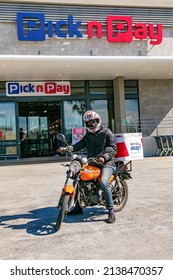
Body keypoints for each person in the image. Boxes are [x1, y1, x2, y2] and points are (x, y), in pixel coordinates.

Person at [58, 110, 117, 223]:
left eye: (93, 122)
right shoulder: (88, 135)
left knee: (103, 183)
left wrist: (104, 157)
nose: (91, 124)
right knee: (78, 178)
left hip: (107, 164)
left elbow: (113, 148)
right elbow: (78, 145)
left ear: (98, 120)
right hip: (92, 163)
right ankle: (78, 207)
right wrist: (66, 149)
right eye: (89, 123)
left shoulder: (107, 132)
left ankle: (110, 210)